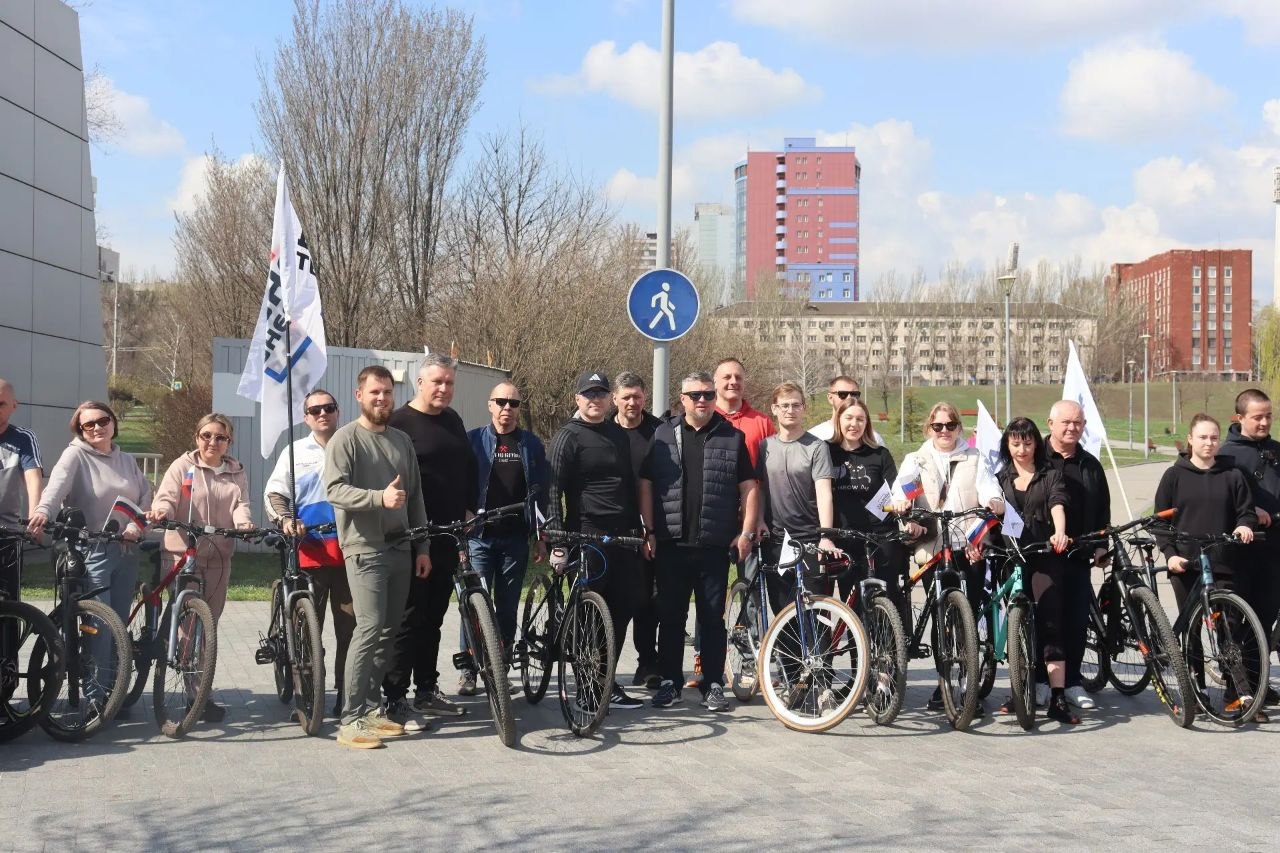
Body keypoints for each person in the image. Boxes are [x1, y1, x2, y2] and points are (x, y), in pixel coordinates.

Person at [324, 365, 431, 749]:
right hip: (364, 548)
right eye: (375, 392)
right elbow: (335, 490)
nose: (382, 398)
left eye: (387, 392)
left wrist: (422, 547)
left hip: (401, 547)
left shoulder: (401, 441)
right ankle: (350, 720)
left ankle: (371, 710)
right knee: (368, 628)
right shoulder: (345, 439)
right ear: (359, 396)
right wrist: (378, 498)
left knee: (388, 631)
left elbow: (415, 497)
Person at [639, 371, 758, 711]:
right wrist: (649, 531)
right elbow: (646, 483)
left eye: (708, 394)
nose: (702, 400)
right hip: (671, 544)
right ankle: (669, 683)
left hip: (713, 545)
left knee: (712, 619)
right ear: (683, 399)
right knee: (671, 617)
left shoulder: (731, 436)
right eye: (695, 395)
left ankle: (713, 683)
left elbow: (749, 488)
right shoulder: (663, 434)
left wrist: (746, 532)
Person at [29, 400, 150, 714]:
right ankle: (97, 697)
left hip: (126, 550)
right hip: (92, 550)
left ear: (113, 423)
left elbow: (145, 498)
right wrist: (42, 512)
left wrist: (136, 527)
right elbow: (55, 488)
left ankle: (114, 691)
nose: (97, 428)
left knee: (119, 625)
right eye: (88, 424)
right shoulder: (76, 455)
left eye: (103, 421)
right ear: (80, 430)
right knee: (100, 625)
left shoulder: (126, 460)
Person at [891, 401, 1003, 712]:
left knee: (969, 616)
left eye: (950, 425)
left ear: (958, 428)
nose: (944, 431)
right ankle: (943, 686)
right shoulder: (917, 460)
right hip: (933, 548)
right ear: (929, 428)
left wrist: (994, 500)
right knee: (941, 616)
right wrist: (901, 504)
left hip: (968, 545)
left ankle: (968, 686)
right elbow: (903, 490)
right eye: (938, 426)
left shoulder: (973, 457)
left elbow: (988, 487)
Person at [384, 354, 477, 722]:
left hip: (448, 536)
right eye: (437, 381)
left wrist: (469, 508)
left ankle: (426, 689)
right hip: (410, 537)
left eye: (449, 382)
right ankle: (394, 697)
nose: (444, 388)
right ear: (419, 382)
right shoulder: (399, 423)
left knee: (434, 618)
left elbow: (468, 467)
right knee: (408, 618)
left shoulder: (453, 419)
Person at [1154, 412, 1264, 723]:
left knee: (1230, 627)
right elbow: (1159, 522)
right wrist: (1170, 554)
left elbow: (1246, 512)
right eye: (1202, 437)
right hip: (1185, 564)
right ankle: (1196, 687)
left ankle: (1238, 692)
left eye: (1214, 437)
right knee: (1191, 629)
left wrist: (1244, 526)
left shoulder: (1233, 475)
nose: (1209, 442)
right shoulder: (1174, 476)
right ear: (1190, 439)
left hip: (1222, 561)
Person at [545, 369, 645, 710]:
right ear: (577, 398)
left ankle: (605, 680)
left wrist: (638, 530)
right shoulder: (567, 437)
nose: (595, 399)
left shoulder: (617, 435)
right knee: (588, 615)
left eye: (600, 393)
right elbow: (552, 490)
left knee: (623, 606)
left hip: (621, 536)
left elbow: (627, 487)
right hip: (584, 534)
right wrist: (557, 541)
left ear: (608, 398)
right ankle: (586, 688)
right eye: (589, 394)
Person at [149, 413, 254, 722]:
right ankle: (192, 691)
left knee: (208, 627)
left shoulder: (236, 472)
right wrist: (162, 511)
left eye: (220, 437)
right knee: (188, 625)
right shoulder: (183, 466)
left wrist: (244, 523)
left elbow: (241, 505)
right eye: (206, 435)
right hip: (183, 552)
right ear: (197, 437)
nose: (212, 442)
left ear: (228, 442)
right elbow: (167, 497)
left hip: (219, 556)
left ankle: (200, 694)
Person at [264, 388, 354, 718]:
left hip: (349, 555)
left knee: (351, 631)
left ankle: (347, 696)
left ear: (338, 411)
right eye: (315, 410)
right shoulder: (294, 451)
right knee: (306, 631)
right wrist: (286, 519)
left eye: (328, 407)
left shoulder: (352, 444)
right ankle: (308, 696)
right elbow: (275, 492)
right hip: (309, 554)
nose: (322, 414)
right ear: (305, 417)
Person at [461, 380, 549, 695]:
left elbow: (540, 493)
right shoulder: (473, 440)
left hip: (515, 540)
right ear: (490, 405)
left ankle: (501, 669)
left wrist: (540, 536)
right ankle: (469, 670)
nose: (506, 408)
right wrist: (464, 515)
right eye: (501, 402)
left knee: (508, 608)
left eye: (513, 403)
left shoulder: (531, 444)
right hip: (479, 537)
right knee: (476, 604)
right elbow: (459, 482)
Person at [993, 417, 1077, 725]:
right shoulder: (1000, 478)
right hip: (1011, 558)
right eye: (1015, 443)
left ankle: (1057, 698)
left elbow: (1058, 504)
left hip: (1043, 556)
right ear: (1007, 445)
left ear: (1036, 445)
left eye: (1027, 443)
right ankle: (1019, 691)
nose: (1022, 449)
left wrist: (1060, 532)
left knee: (1051, 624)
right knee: (1016, 627)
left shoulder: (1050, 475)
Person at [1044, 399, 1109, 712]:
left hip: (1079, 555)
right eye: (1066, 422)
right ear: (1050, 424)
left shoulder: (1090, 464)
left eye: (1078, 423)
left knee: (1076, 620)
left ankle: (1071, 682)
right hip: (1041, 556)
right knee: (1044, 620)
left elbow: (1103, 509)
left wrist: (1101, 544)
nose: (1072, 428)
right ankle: (1040, 680)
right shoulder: (1037, 458)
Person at [1217, 388, 1280, 706]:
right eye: (1258, 417)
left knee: (1265, 619)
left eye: (1269, 416)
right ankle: (1236, 686)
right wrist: (1249, 510)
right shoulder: (1226, 455)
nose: (1265, 422)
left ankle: (1258, 683)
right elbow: (1218, 498)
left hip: (1273, 550)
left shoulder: (1277, 451)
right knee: (1236, 622)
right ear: (1239, 417)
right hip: (1240, 553)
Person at [758, 382, 842, 607]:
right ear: (774, 409)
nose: (790, 410)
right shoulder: (765, 446)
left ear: (804, 408)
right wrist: (758, 521)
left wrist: (826, 535)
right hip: (776, 539)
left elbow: (824, 493)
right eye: (784, 405)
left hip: (809, 539)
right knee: (781, 610)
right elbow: (760, 489)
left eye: (796, 405)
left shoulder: (817, 447)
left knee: (814, 609)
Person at [824, 396, 906, 624]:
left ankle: (893, 643)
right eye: (849, 418)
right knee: (853, 605)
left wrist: (901, 504)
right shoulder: (826, 451)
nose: (854, 424)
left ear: (867, 423)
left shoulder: (880, 454)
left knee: (887, 596)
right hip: (846, 537)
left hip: (881, 534)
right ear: (838, 420)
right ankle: (857, 646)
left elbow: (896, 489)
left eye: (860, 419)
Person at [612, 371, 664, 689]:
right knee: (617, 601)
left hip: (649, 527)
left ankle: (648, 663)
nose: (632, 402)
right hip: (613, 526)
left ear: (645, 397)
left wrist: (650, 530)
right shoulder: (604, 430)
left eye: (637, 396)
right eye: (626, 397)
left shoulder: (659, 431)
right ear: (615, 399)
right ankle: (605, 671)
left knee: (649, 600)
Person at [0, 379, 42, 601]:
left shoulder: (23, 438)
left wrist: (35, 516)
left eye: (1, 404)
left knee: (9, 602)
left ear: (14, 406)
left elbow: (33, 477)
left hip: (8, 532)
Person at [808, 375, 862, 441]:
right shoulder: (814, 437)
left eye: (854, 394)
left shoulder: (871, 439)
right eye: (843, 394)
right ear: (830, 398)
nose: (849, 398)